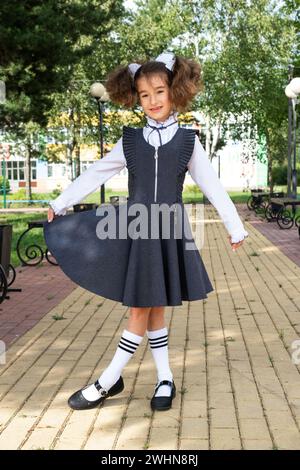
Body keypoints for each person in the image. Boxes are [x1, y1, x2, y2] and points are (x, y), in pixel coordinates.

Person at [44, 51, 249, 413]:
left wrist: (235, 226)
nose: (152, 100)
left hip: (168, 231)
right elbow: (96, 172)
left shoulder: (189, 141)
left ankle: (111, 380)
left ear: (174, 92)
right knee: (146, 309)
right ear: (135, 98)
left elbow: (213, 186)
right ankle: (154, 377)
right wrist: (61, 203)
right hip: (138, 231)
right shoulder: (130, 141)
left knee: (148, 308)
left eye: (159, 91)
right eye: (144, 94)